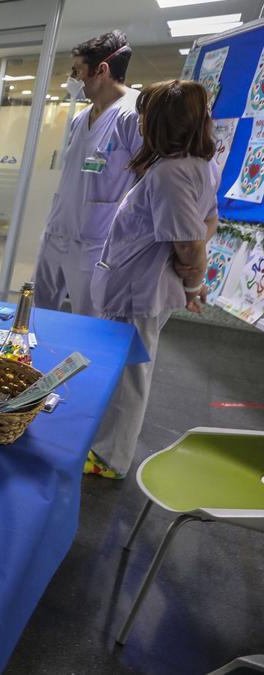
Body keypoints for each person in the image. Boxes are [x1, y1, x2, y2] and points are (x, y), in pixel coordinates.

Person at [85, 80, 217, 479]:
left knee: (129, 376)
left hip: (138, 290)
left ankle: (110, 458)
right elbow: (206, 223)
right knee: (124, 370)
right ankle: (105, 445)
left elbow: (191, 243)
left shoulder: (172, 173)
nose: (140, 122)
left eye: (145, 114)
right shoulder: (194, 165)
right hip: (138, 286)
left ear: (162, 121)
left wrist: (193, 283)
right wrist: (192, 275)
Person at [35, 30, 141, 317]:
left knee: (88, 320)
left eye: (78, 71)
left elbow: (147, 182)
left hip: (96, 242)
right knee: (39, 314)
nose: (73, 79)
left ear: (102, 70)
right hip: (58, 231)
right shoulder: (82, 118)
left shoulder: (133, 115)